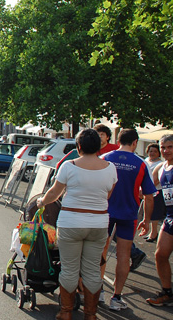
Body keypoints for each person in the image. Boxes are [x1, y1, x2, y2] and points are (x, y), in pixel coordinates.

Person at [36, 128, 117, 320]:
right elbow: (107, 195)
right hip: (98, 223)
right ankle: (90, 314)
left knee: (70, 269)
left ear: (79, 146)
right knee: (91, 270)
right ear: (99, 145)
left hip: (71, 221)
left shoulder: (69, 166)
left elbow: (55, 192)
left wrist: (42, 202)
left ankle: (65, 312)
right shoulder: (110, 168)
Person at [101, 128, 155, 311]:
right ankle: (116, 298)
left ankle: (97, 291)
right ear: (135, 143)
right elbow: (149, 196)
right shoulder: (140, 163)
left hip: (104, 212)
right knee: (123, 256)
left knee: (100, 251)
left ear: (117, 139)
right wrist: (146, 220)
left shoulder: (105, 158)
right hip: (128, 214)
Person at [146, 134, 173, 306]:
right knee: (160, 254)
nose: (165, 151)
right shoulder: (160, 168)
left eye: (170, 147)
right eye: (163, 147)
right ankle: (167, 292)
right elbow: (149, 188)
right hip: (170, 217)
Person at [144, 143, 165, 242]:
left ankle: (154, 233)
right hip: (146, 191)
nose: (152, 153)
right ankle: (151, 232)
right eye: (151, 151)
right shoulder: (146, 161)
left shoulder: (159, 164)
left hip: (156, 191)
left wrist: (150, 188)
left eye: (155, 151)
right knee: (148, 213)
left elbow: (156, 180)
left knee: (155, 214)